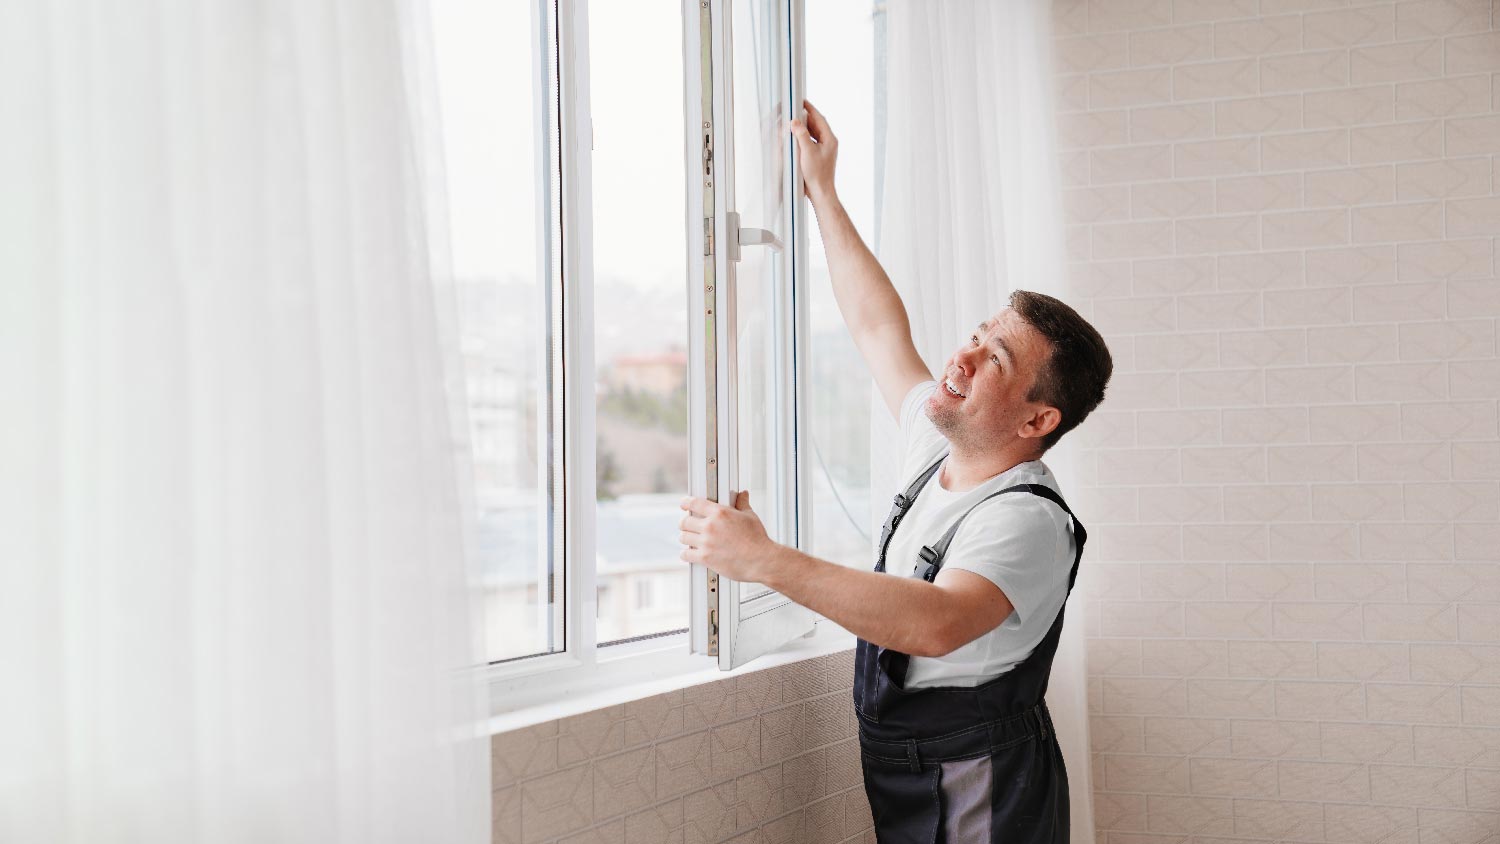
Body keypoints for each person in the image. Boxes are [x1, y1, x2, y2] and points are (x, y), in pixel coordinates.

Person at [677, 100, 1112, 844]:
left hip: (983, 780)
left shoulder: (1028, 518)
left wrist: (763, 560)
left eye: (992, 361)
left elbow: (935, 624)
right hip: (908, 763)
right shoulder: (936, 446)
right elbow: (878, 325)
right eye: (975, 337)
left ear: (1038, 421)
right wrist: (823, 193)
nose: (961, 358)